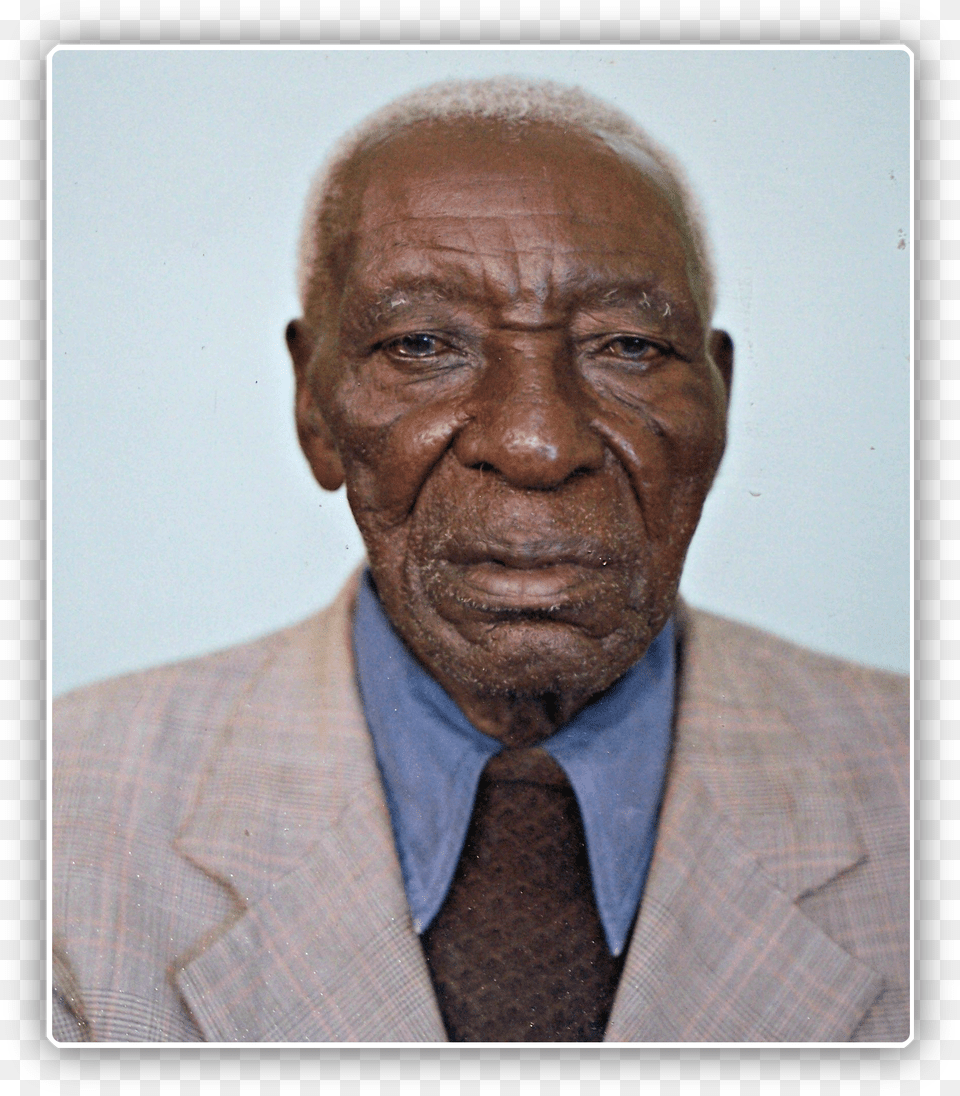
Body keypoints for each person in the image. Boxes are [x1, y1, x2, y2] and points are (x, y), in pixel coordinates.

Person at [52, 78, 909, 1044]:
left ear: (719, 399)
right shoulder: (57, 822)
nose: (538, 442)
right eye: (422, 344)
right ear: (313, 405)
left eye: (629, 347)